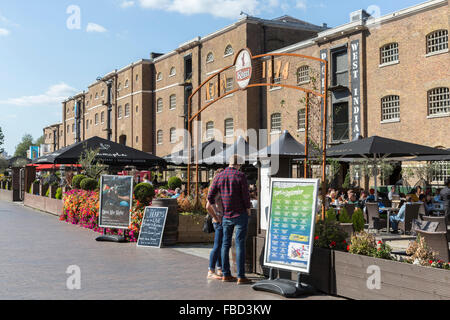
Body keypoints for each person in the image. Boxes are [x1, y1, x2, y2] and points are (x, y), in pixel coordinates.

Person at [207, 154, 252, 285]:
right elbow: (245, 195)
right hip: (240, 214)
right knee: (239, 244)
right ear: (238, 165)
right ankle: (241, 276)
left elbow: (210, 197)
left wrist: (218, 211)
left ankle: (226, 274)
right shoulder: (240, 176)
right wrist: (248, 208)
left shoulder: (219, 176)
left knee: (225, 245)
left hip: (226, 216)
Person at [205, 169, 224, 280]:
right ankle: (211, 271)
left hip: (220, 220)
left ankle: (219, 268)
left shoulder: (217, 188)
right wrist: (216, 217)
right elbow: (207, 206)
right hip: (219, 221)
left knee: (219, 245)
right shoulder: (216, 190)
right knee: (217, 246)